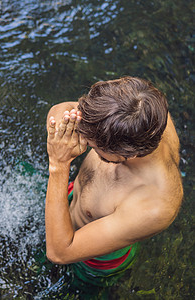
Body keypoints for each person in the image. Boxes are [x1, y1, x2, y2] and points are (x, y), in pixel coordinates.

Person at [44, 76, 183, 286]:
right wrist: (60, 125)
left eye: (92, 145)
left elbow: (59, 253)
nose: (82, 139)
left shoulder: (154, 205)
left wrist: (58, 164)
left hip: (90, 262)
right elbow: (62, 108)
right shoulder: (139, 110)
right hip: (71, 198)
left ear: (124, 153)